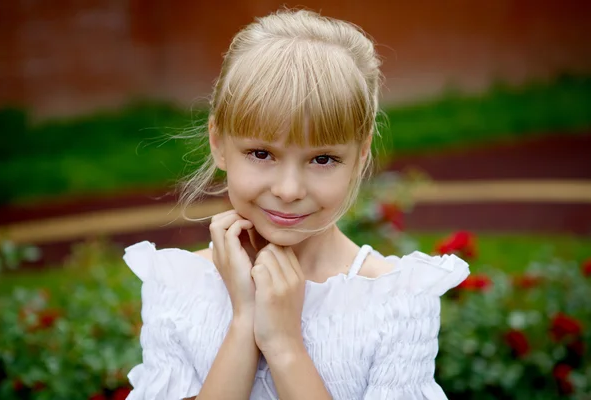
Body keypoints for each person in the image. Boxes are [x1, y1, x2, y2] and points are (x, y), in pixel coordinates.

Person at [123, 8, 470, 400]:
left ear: (360, 155)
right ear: (218, 143)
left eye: (322, 159)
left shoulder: (394, 303)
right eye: (261, 153)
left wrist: (286, 346)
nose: (288, 190)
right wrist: (243, 323)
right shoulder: (178, 289)